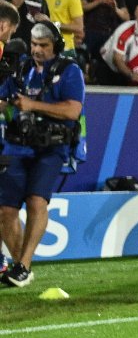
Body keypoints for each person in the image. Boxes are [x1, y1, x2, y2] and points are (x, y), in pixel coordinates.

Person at [0, 24, 85, 288]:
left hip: (52, 147)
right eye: (34, 44)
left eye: (44, 45)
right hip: (18, 145)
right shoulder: (20, 69)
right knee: (5, 210)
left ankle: (23, 264)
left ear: (56, 46)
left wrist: (32, 104)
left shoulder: (69, 71)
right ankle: (20, 267)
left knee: (37, 200)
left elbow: (72, 110)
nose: (37, 50)